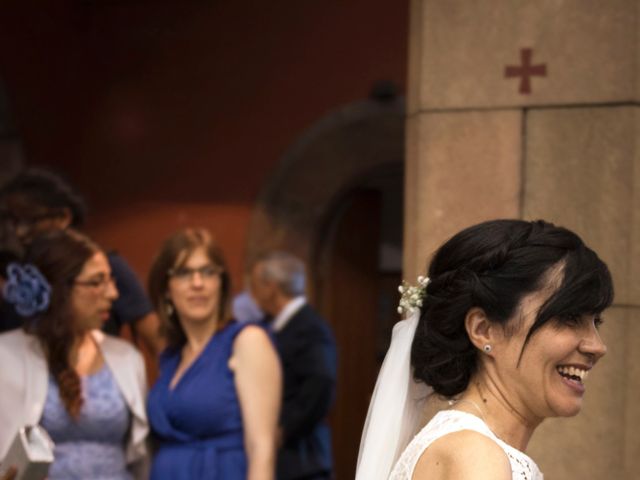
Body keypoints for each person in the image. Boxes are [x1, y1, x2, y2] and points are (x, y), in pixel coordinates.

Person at [356, 219, 614, 480]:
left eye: (596, 322)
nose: (598, 346)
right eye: (569, 318)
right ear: (483, 330)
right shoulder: (475, 456)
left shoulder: (469, 447)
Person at [0, 229, 149, 479]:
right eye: (96, 282)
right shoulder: (6, 357)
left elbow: (141, 457)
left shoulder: (126, 358)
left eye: (110, 280)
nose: (112, 293)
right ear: (59, 290)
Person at [146, 228, 282, 480]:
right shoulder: (172, 356)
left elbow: (262, 448)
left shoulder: (248, 341)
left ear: (221, 284)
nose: (198, 284)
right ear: (166, 289)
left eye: (208, 272)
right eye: (184, 273)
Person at [0, 167, 164, 355]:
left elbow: (157, 342)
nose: (20, 232)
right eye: (13, 222)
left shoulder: (106, 266)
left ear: (63, 217)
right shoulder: (20, 277)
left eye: (31, 221)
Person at [249, 251, 337, 480]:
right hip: (284, 460)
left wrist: (284, 428)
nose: (252, 293)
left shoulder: (309, 327)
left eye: (255, 284)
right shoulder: (271, 326)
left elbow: (321, 383)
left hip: (303, 459)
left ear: (271, 286)